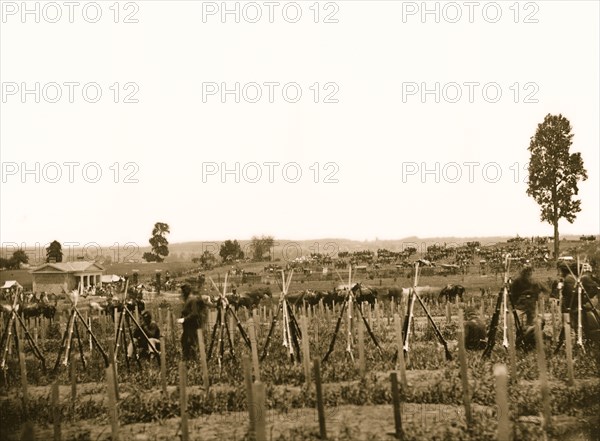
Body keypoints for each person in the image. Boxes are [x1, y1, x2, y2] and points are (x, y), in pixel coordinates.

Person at [178, 283, 206, 360]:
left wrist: (184, 319)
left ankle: (194, 360)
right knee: (185, 342)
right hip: (187, 326)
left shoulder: (192, 299)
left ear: (187, 290)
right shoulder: (188, 299)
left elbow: (194, 314)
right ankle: (187, 360)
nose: (182, 292)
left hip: (192, 325)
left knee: (191, 342)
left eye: (183, 291)